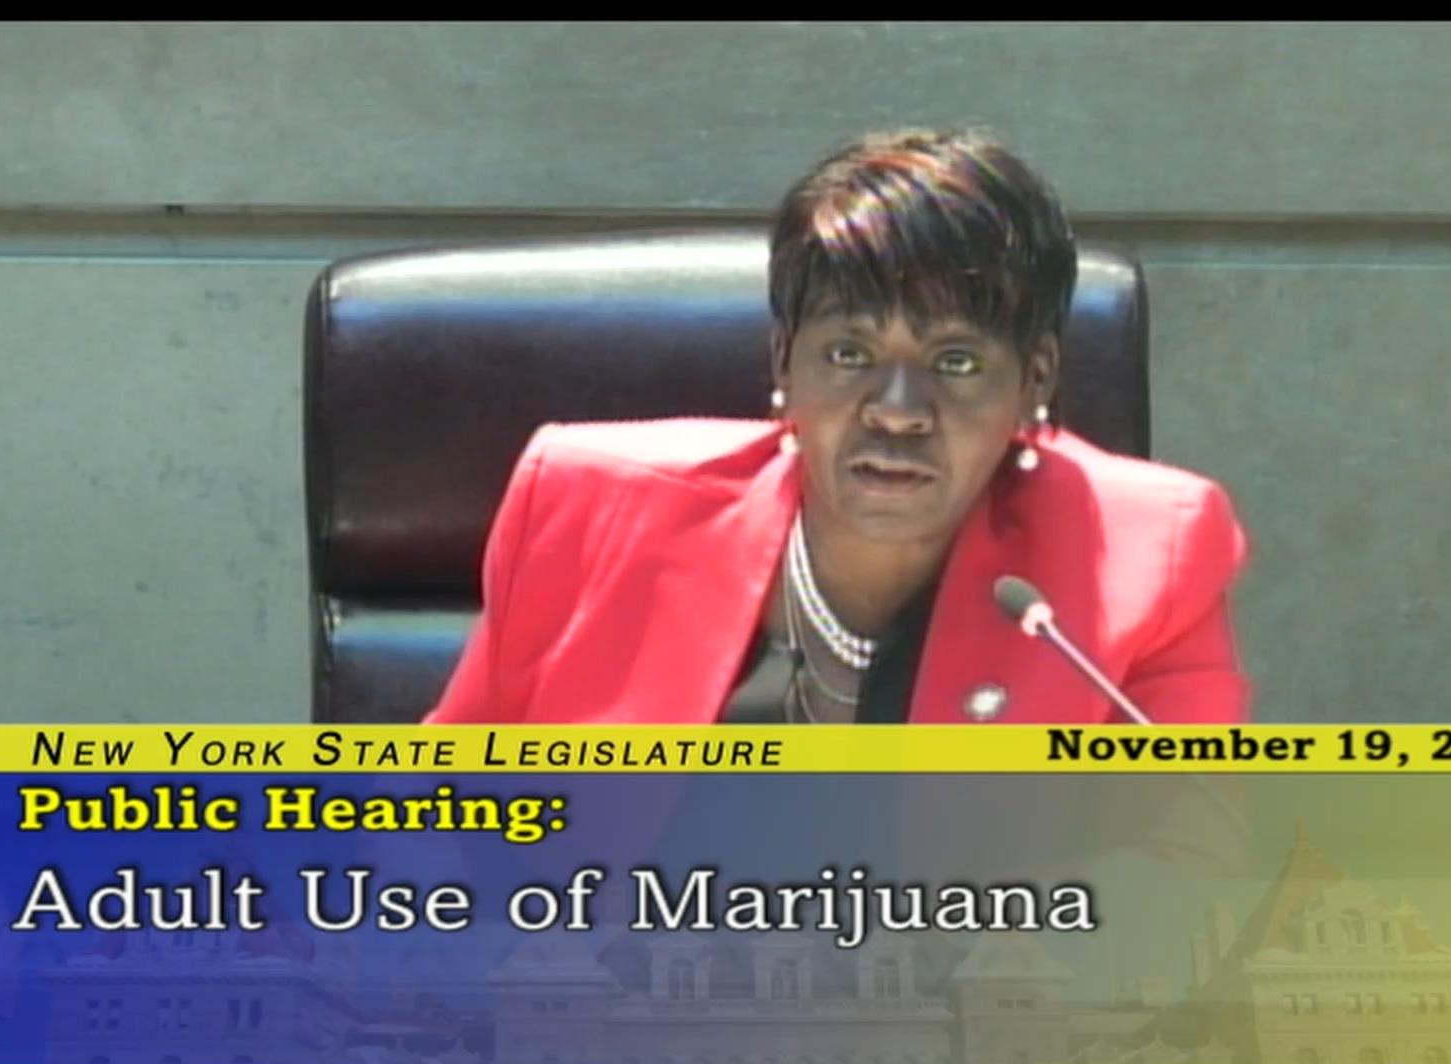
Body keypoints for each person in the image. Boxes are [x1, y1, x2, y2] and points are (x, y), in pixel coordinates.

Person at [424, 128, 1249, 726]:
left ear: (1036, 380)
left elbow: (1186, 858)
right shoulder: (584, 507)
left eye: (956, 361)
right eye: (850, 354)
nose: (897, 410)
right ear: (784, 363)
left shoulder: (1149, 559)